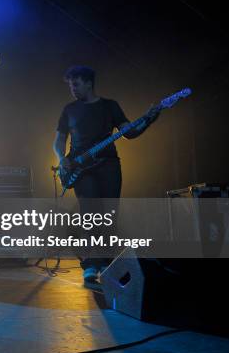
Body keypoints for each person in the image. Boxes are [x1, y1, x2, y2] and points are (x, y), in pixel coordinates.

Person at [53, 65, 158, 287]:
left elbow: (129, 132)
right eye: (70, 85)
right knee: (90, 214)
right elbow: (59, 140)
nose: (72, 89)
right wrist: (62, 158)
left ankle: (108, 264)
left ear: (89, 83)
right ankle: (91, 266)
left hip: (109, 165)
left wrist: (149, 119)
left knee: (109, 214)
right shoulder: (69, 109)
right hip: (81, 168)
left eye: (76, 84)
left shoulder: (110, 106)